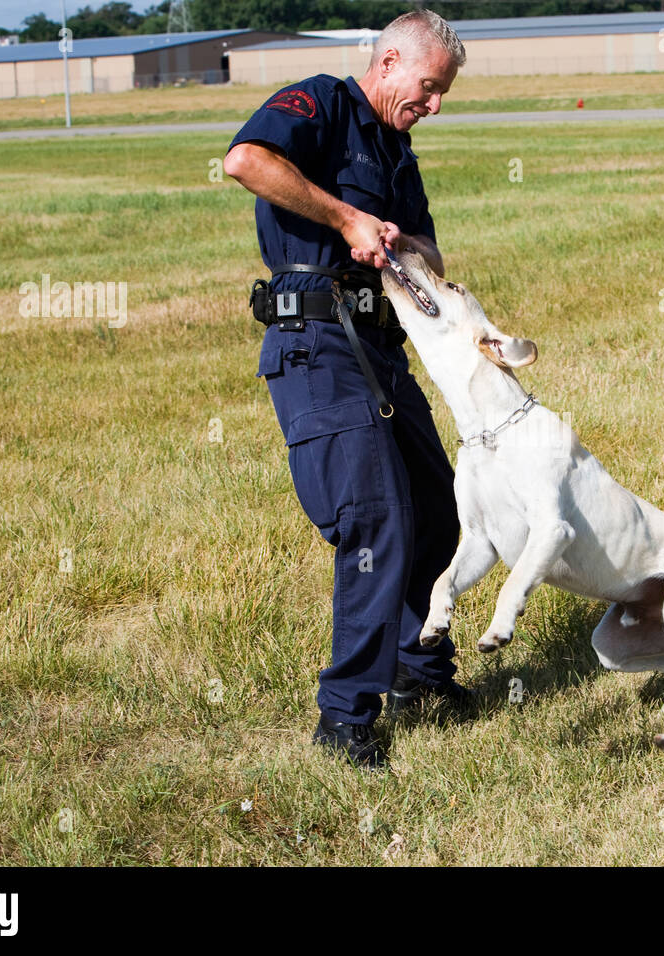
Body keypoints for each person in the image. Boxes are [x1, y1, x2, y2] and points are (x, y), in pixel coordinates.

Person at [223, 10, 470, 770]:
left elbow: (424, 243)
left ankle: (417, 671)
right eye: (428, 89)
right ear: (390, 61)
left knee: (438, 508)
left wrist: (408, 248)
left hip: (381, 344)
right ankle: (345, 718)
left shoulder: (398, 152)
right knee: (375, 518)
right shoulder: (322, 104)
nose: (433, 106)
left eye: (441, 96)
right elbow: (246, 161)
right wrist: (346, 217)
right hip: (316, 341)